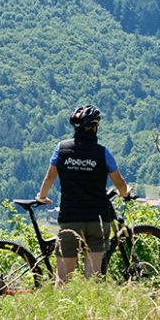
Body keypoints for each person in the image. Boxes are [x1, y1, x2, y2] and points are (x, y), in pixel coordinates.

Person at [34, 104, 132, 283]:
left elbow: (49, 177)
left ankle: (59, 310)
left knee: (62, 278)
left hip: (70, 218)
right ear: (95, 128)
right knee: (93, 279)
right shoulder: (103, 153)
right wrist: (126, 194)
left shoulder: (61, 149)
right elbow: (120, 184)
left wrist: (41, 197)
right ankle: (90, 310)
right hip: (97, 219)